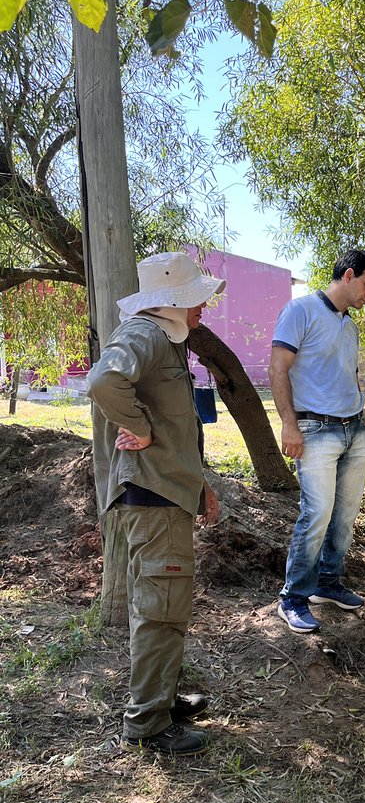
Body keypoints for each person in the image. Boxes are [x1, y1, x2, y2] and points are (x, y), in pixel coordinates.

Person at [87, 251, 223, 757]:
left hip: (169, 492)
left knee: (166, 608)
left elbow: (178, 431)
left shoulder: (164, 341)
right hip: (153, 498)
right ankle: (147, 723)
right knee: (160, 612)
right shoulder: (144, 335)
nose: (203, 307)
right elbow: (103, 381)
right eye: (196, 299)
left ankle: (161, 700)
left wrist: (201, 484)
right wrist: (138, 428)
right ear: (172, 301)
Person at [270, 249, 365, 633]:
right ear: (348, 275)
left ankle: (328, 583)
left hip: (355, 429)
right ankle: (293, 598)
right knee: (316, 514)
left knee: (345, 515)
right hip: (315, 430)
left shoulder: (349, 325)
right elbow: (278, 367)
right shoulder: (300, 311)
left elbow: (345, 376)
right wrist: (289, 424)